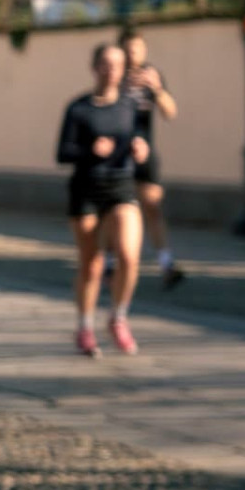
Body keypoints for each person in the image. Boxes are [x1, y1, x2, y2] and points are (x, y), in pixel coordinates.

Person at [57, 42, 149, 356]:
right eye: (106, 64)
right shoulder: (79, 108)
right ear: (94, 67)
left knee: (129, 257)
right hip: (86, 188)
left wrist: (140, 147)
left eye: (117, 65)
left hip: (121, 186)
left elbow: (137, 135)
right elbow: (62, 153)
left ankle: (118, 317)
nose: (111, 70)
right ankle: (84, 327)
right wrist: (89, 151)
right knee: (92, 265)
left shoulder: (128, 105)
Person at [117, 27, 185, 288]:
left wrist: (156, 89)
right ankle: (110, 262)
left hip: (145, 151)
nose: (134, 53)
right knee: (116, 211)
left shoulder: (151, 76)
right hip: (117, 154)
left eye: (138, 48)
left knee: (152, 206)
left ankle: (166, 262)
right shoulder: (114, 75)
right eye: (129, 48)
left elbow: (170, 112)